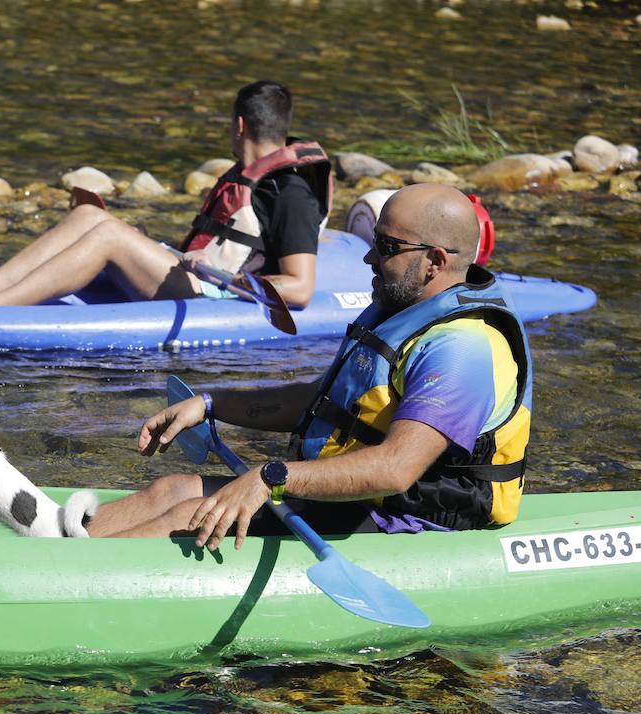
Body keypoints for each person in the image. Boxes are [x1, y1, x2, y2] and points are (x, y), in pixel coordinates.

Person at [86, 183, 532, 546]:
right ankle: (53, 546)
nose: (369, 257)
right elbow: (323, 402)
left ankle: (70, 588)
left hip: (418, 520)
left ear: (435, 261)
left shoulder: (462, 347)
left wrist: (271, 477)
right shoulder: (401, 307)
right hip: (363, 500)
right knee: (174, 490)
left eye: (386, 246)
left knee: (190, 515)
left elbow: (396, 469)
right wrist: (210, 403)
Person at [0, 80, 331, 308]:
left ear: (239, 126)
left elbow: (299, 288)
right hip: (197, 273)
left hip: (216, 292)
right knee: (91, 218)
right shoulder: (247, 173)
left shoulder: (290, 193)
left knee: (109, 236)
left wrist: (231, 277)